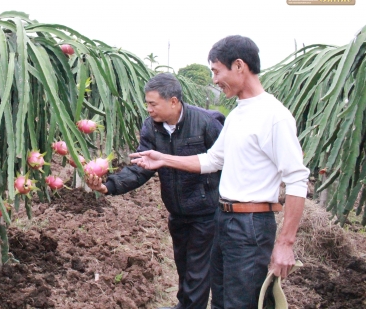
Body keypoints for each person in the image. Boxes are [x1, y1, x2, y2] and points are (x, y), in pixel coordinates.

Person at [130, 36, 310, 309]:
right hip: (223, 219)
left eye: (216, 71)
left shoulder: (274, 116)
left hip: (251, 225)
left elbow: (297, 179)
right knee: (221, 301)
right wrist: (162, 159)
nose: (214, 79)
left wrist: (285, 243)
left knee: (241, 302)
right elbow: (213, 160)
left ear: (239, 66)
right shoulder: (238, 114)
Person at [86, 73, 224, 309]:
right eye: (147, 104)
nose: (148, 109)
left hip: (206, 212)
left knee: (198, 271)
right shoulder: (152, 126)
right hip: (177, 211)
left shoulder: (206, 123)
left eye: (153, 104)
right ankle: (185, 304)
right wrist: (108, 186)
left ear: (173, 101)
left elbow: (225, 162)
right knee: (183, 265)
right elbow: (141, 168)